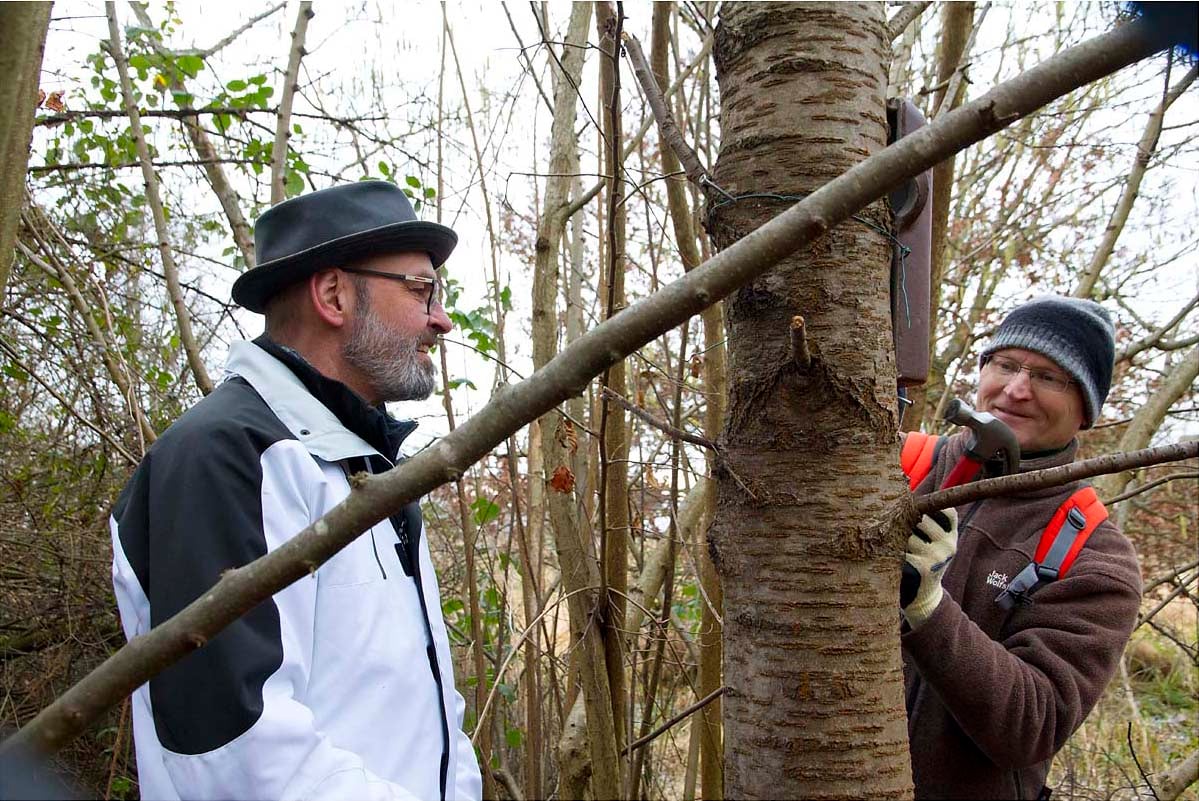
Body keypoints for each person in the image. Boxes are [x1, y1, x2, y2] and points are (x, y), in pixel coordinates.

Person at [109, 181, 483, 801]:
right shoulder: (227, 458)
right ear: (334, 295)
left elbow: (430, 716)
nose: (440, 320)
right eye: (421, 290)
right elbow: (234, 748)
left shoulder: (365, 469)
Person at [898, 296, 1142, 800]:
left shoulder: (1095, 556)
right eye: (1005, 364)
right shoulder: (895, 463)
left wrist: (929, 609)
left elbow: (1034, 726)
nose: (1016, 390)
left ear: (1086, 411)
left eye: (1050, 377)